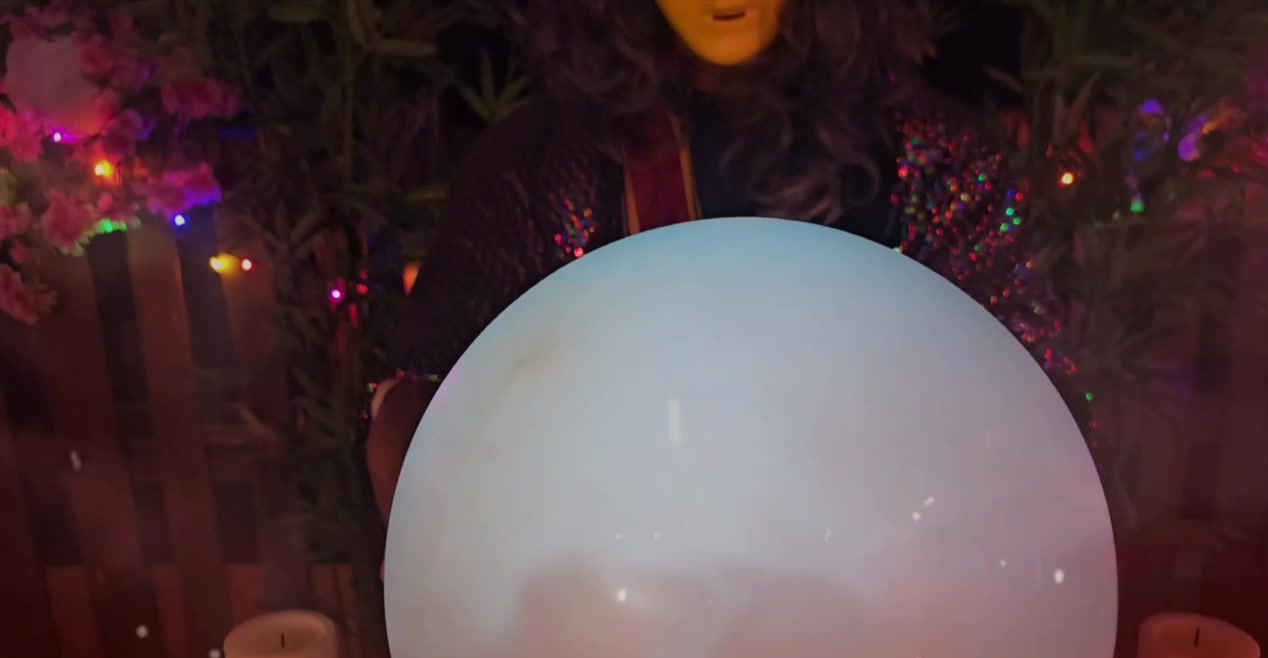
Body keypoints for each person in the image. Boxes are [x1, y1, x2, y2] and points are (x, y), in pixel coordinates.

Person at [366, 0, 1026, 519]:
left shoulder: (932, 157)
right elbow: (426, 411)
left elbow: (1026, 411)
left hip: (886, 610)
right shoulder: (541, 166)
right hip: (613, 614)